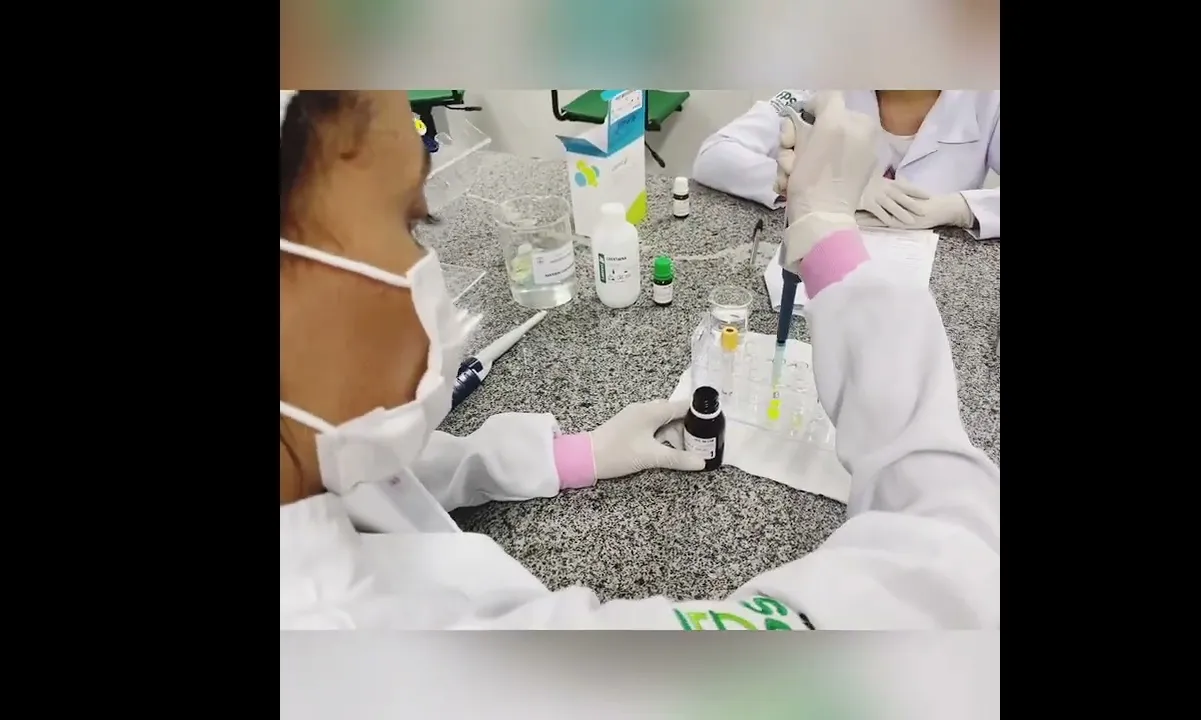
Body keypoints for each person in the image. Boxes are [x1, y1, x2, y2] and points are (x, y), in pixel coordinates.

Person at [279, 90, 1001, 630]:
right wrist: (831, 238)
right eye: (414, 220)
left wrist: (565, 455)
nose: (432, 267)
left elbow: (370, 482)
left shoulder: (311, 461)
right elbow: (957, 566)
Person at [692, 90, 1001, 239]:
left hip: (935, 278)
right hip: (825, 262)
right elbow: (715, 154)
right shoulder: (822, 80)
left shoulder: (988, 96)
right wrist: (818, 182)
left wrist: (959, 209)